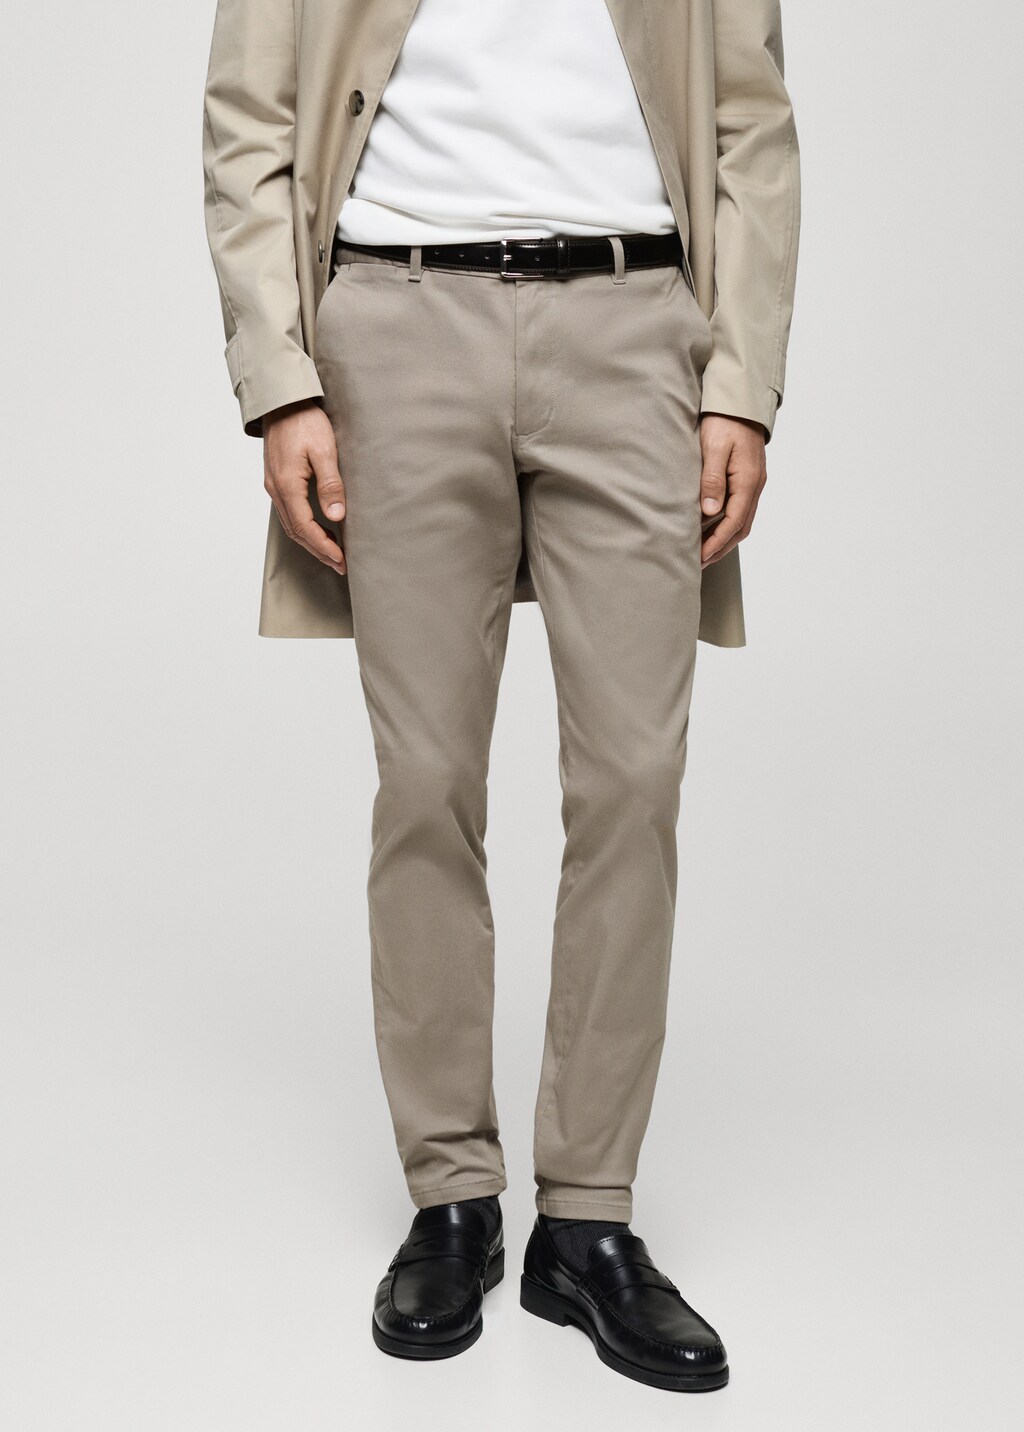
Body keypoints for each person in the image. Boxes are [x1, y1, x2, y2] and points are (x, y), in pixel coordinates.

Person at [202, 0, 799, 1392]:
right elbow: (248, 122)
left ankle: (586, 1219)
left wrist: (742, 386)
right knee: (425, 781)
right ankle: (452, 1199)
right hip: (396, 321)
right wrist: (280, 381)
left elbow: (753, 127)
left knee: (634, 778)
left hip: (635, 320)